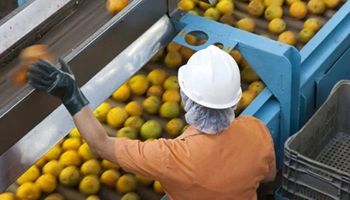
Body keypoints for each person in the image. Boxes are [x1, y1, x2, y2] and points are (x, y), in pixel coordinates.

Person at [27, 45, 276, 200]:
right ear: (234, 100)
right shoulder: (257, 130)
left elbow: (100, 144)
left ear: (184, 96)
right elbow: (269, 178)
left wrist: (71, 94)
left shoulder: (171, 157)